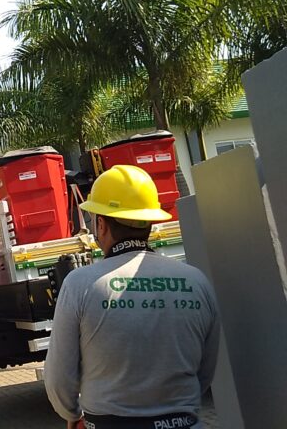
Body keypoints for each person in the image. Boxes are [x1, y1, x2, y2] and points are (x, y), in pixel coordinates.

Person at [45, 165, 220, 429]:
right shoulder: (196, 282)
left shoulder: (80, 284)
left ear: (101, 224)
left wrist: (72, 414)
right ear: (149, 221)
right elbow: (205, 371)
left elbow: (59, 378)